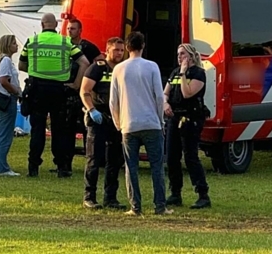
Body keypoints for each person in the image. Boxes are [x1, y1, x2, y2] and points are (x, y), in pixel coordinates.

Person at [19, 13, 89, 178]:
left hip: (37, 89)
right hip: (60, 90)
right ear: (56, 26)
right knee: (60, 130)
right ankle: (62, 166)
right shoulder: (65, 42)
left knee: (37, 130)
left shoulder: (32, 42)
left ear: (42, 25)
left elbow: (21, 65)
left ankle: (33, 166)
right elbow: (84, 62)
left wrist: (37, 69)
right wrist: (77, 84)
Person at [109, 32, 168, 216]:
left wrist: (118, 123)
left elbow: (113, 101)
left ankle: (135, 207)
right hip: (151, 123)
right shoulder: (152, 67)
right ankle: (160, 206)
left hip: (129, 124)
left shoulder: (119, 69)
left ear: (127, 47)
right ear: (143, 46)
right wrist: (160, 120)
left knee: (131, 166)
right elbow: (159, 96)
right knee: (157, 166)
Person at [79, 37, 127, 210]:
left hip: (117, 119)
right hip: (99, 117)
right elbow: (84, 91)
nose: (119, 53)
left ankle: (111, 198)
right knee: (94, 158)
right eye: (116, 50)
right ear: (107, 50)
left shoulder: (123, 70)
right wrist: (91, 110)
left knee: (114, 160)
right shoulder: (97, 68)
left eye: (122, 50)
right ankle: (89, 197)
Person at [164, 44, 211, 209]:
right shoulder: (175, 72)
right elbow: (165, 92)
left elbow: (187, 93)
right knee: (171, 156)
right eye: (178, 54)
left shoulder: (198, 73)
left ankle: (202, 194)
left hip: (191, 118)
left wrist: (184, 72)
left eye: (183, 54)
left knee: (190, 156)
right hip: (174, 118)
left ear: (191, 56)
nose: (179, 57)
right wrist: (164, 104)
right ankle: (175, 193)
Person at [65, 17, 103, 150]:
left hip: (84, 91)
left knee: (87, 125)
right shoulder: (64, 46)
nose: (69, 31)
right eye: (68, 28)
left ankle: (90, 154)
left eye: (73, 28)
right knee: (67, 127)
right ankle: (65, 161)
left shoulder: (88, 47)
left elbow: (101, 63)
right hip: (68, 90)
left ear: (80, 31)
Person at [0, 34, 23, 176]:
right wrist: (16, 91)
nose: (17, 46)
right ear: (8, 45)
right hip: (7, 99)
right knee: (5, 134)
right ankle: (1, 167)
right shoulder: (6, 60)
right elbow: (3, 80)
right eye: (14, 43)